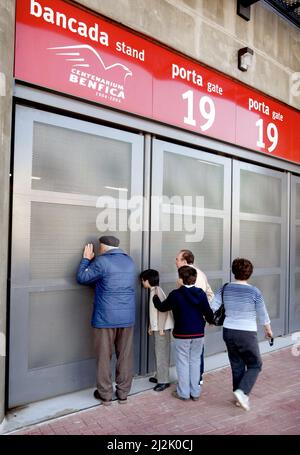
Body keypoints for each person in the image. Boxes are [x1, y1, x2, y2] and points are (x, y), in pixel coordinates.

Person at [77, 236, 136, 406]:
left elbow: (82, 278)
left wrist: (86, 260)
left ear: (102, 247)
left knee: (104, 357)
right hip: (127, 318)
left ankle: (106, 395)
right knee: (125, 356)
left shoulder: (101, 262)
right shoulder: (130, 262)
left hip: (105, 318)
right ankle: (123, 394)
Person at [210, 258, 273, 411]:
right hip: (246, 332)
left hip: (229, 331)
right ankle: (242, 392)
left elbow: (212, 307)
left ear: (233, 272)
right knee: (255, 364)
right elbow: (262, 313)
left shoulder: (225, 288)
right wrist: (268, 329)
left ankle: (239, 398)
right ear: (250, 273)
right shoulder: (254, 291)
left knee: (237, 365)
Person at [153, 266, 214, 401]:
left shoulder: (176, 294)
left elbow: (162, 307)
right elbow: (208, 312)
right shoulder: (200, 294)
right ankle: (195, 392)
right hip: (198, 333)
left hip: (182, 335)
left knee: (183, 363)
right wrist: (211, 321)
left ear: (180, 279)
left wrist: (155, 298)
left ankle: (183, 393)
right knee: (195, 362)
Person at [175, 249, 214, 384]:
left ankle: (191, 381)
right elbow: (210, 294)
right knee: (198, 349)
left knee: (187, 353)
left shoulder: (184, 277)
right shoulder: (201, 274)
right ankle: (198, 377)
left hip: (187, 320)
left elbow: (187, 297)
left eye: (177, 259)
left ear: (184, 261)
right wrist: (207, 313)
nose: (175, 262)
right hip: (199, 319)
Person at [140, 269, 174, 392]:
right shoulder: (153, 291)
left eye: (143, 280)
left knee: (162, 354)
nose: (142, 283)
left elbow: (163, 312)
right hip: (159, 328)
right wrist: (150, 326)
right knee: (158, 353)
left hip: (162, 329)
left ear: (147, 280)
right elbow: (153, 313)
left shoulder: (157, 292)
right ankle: (160, 376)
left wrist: (160, 328)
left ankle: (164, 381)